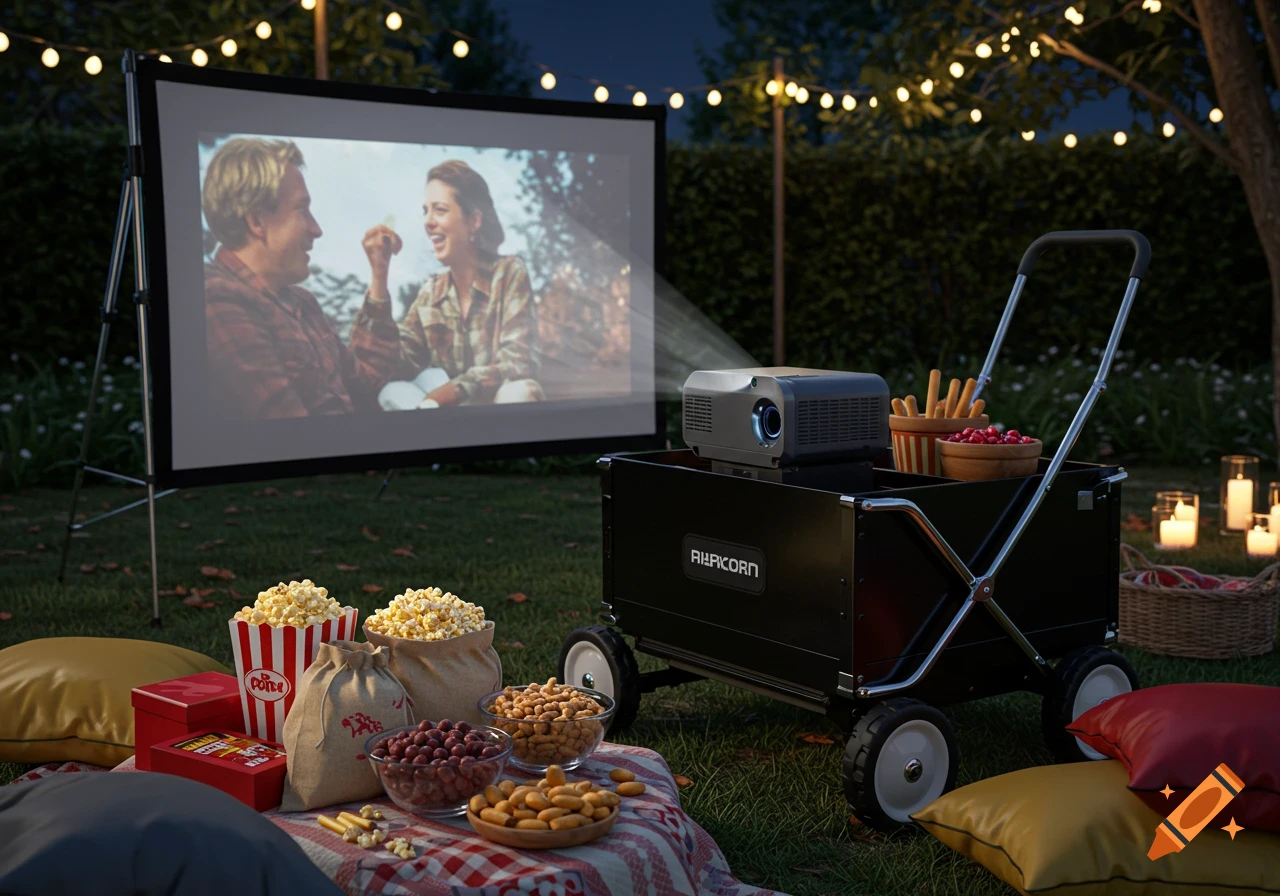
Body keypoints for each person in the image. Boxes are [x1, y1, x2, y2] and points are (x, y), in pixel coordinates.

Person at [202, 137, 405, 419]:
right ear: (257, 221)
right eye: (301, 210)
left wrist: (379, 273)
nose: (316, 229)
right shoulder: (216, 300)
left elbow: (369, 386)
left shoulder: (301, 303)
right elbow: (297, 441)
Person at [364, 159, 542, 408]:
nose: (427, 221)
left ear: (473, 221)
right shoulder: (431, 292)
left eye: (440, 209)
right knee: (393, 391)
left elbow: (519, 362)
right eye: (425, 210)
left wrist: (451, 391)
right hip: (452, 423)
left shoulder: (509, 273)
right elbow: (391, 366)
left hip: (500, 423)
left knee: (519, 391)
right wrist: (379, 274)